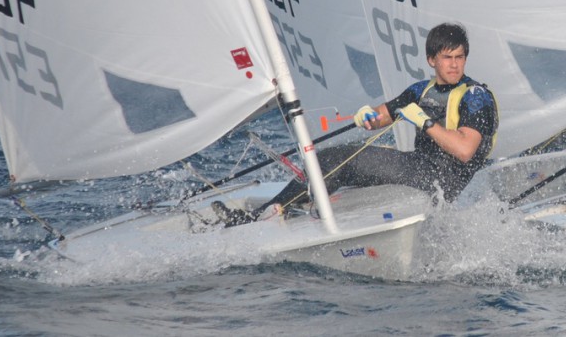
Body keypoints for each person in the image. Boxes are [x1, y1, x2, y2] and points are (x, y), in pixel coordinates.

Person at [213, 22, 499, 225]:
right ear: (431, 60)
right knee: (334, 160)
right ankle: (293, 207)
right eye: (447, 58)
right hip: (419, 168)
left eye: (459, 57)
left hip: (439, 180)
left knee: (340, 159)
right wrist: (368, 117)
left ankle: (263, 215)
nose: (454, 65)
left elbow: (464, 150)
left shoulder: (476, 97)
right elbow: (384, 114)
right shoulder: (420, 90)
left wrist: (425, 123)